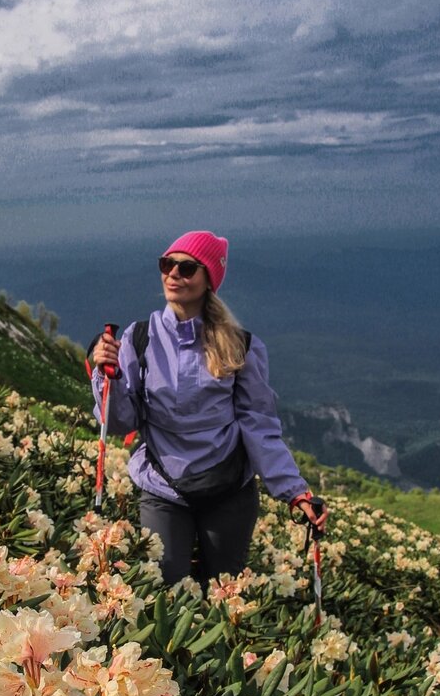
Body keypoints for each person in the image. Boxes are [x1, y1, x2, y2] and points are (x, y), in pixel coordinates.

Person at [90, 230, 327, 586]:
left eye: (187, 268)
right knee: (163, 588)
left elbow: (260, 426)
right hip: (163, 486)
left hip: (228, 490)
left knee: (223, 594)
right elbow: (121, 421)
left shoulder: (240, 346)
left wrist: (295, 493)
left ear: (208, 280)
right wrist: (104, 375)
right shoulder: (139, 339)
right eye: (167, 264)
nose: (173, 274)